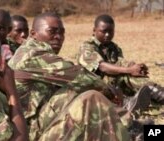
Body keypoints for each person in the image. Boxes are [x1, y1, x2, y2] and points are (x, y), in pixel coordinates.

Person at [8, 12, 135, 141]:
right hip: (29, 134)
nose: (58, 37)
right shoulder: (32, 55)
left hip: (35, 124)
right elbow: (80, 77)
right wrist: (110, 91)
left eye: (62, 32)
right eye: (52, 31)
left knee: (77, 93)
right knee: (89, 97)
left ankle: (131, 123)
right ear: (33, 34)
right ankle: (131, 127)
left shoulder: (29, 51)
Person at [76, 14, 164, 104]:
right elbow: (102, 66)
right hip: (93, 87)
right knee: (118, 80)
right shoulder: (87, 47)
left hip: (113, 85)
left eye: (111, 31)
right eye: (104, 31)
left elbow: (121, 64)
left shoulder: (114, 48)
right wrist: (129, 69)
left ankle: (158, 93)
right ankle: (126, 102)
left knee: (132, 77)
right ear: (94, 31)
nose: (107, 35)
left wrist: (135, 68)